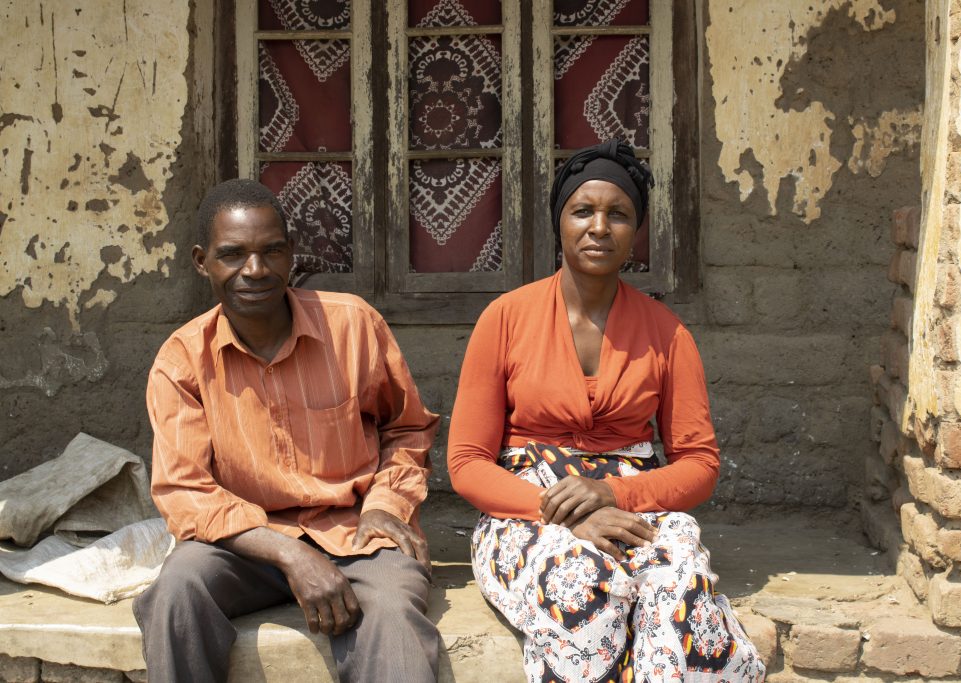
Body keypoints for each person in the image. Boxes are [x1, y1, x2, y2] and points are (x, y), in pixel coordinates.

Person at [447, 140, 766, 682]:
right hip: (528, 508)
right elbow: (467, 462)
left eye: (617, 214)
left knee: (681, 581)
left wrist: (614, 495)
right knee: (583, 582)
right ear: (560, 222)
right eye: (582, 211)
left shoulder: (668, 334)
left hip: (636, 507)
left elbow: (699, 464)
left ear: (635, 232)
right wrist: (565, 512)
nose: (599, 227)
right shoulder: (504, 319)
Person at [134, 179, 441, 683]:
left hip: (357, 532)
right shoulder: (181, 359)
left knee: (392, 613)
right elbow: (185, 492)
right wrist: (290, 554)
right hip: (243, 545)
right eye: (232, 255)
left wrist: (386, 507)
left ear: (291, 255)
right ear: (201, 261)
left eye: (271, 251)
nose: (254, 271)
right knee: (175, 593)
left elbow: (407, 430)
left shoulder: (352, 326)